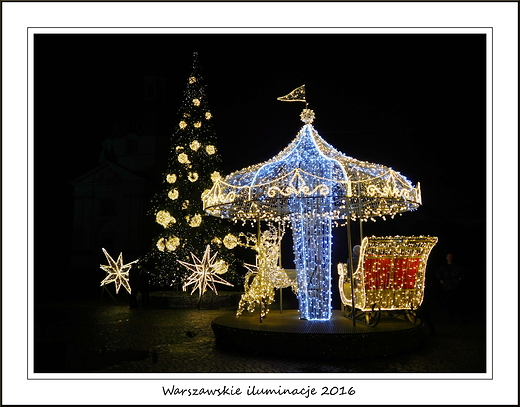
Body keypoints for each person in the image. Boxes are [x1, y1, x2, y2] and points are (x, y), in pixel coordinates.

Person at [436, 253, 465, 322]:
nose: (450, 257)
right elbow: (438, 273)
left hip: (455, 285)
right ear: (446, 258)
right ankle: (450, 316)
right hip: (447, 286)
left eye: (451, 256)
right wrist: (441, 280)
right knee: (448, 301)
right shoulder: (443, 266)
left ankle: (458, 316)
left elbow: (462, 272)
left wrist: (459, 278)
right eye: (448, 256)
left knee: (456, 301)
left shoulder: (456, 266)